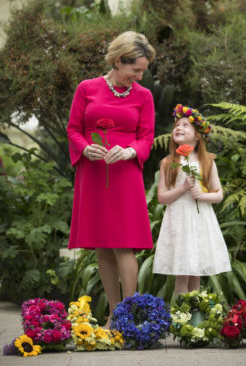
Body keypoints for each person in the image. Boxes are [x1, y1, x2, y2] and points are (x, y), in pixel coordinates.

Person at [67, 31, 156, 327]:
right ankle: (113, 316)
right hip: (93, 173)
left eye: (142, 70)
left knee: (124, 244)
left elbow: (146, 137)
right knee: (102, 245)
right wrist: (84, 147)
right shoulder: (86, 88)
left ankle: (128, 316)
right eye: (136, 70)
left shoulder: (144, 96)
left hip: (125, 174)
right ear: (118, 61)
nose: (140, 76)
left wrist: (130, 151)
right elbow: (73, 130)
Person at [152, 104, 231, 297]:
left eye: (185, 125)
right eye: (177, 125)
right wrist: (183, 188)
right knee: (183, 270)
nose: (179, 127)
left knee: (196, 271)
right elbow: (162, 198)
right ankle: (180, 317)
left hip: (200, 220)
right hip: (179, 220)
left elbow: (218, 194)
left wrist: (201, 195)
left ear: (197, 135)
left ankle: (196, 318)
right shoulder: (168, 162)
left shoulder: (207, 162)